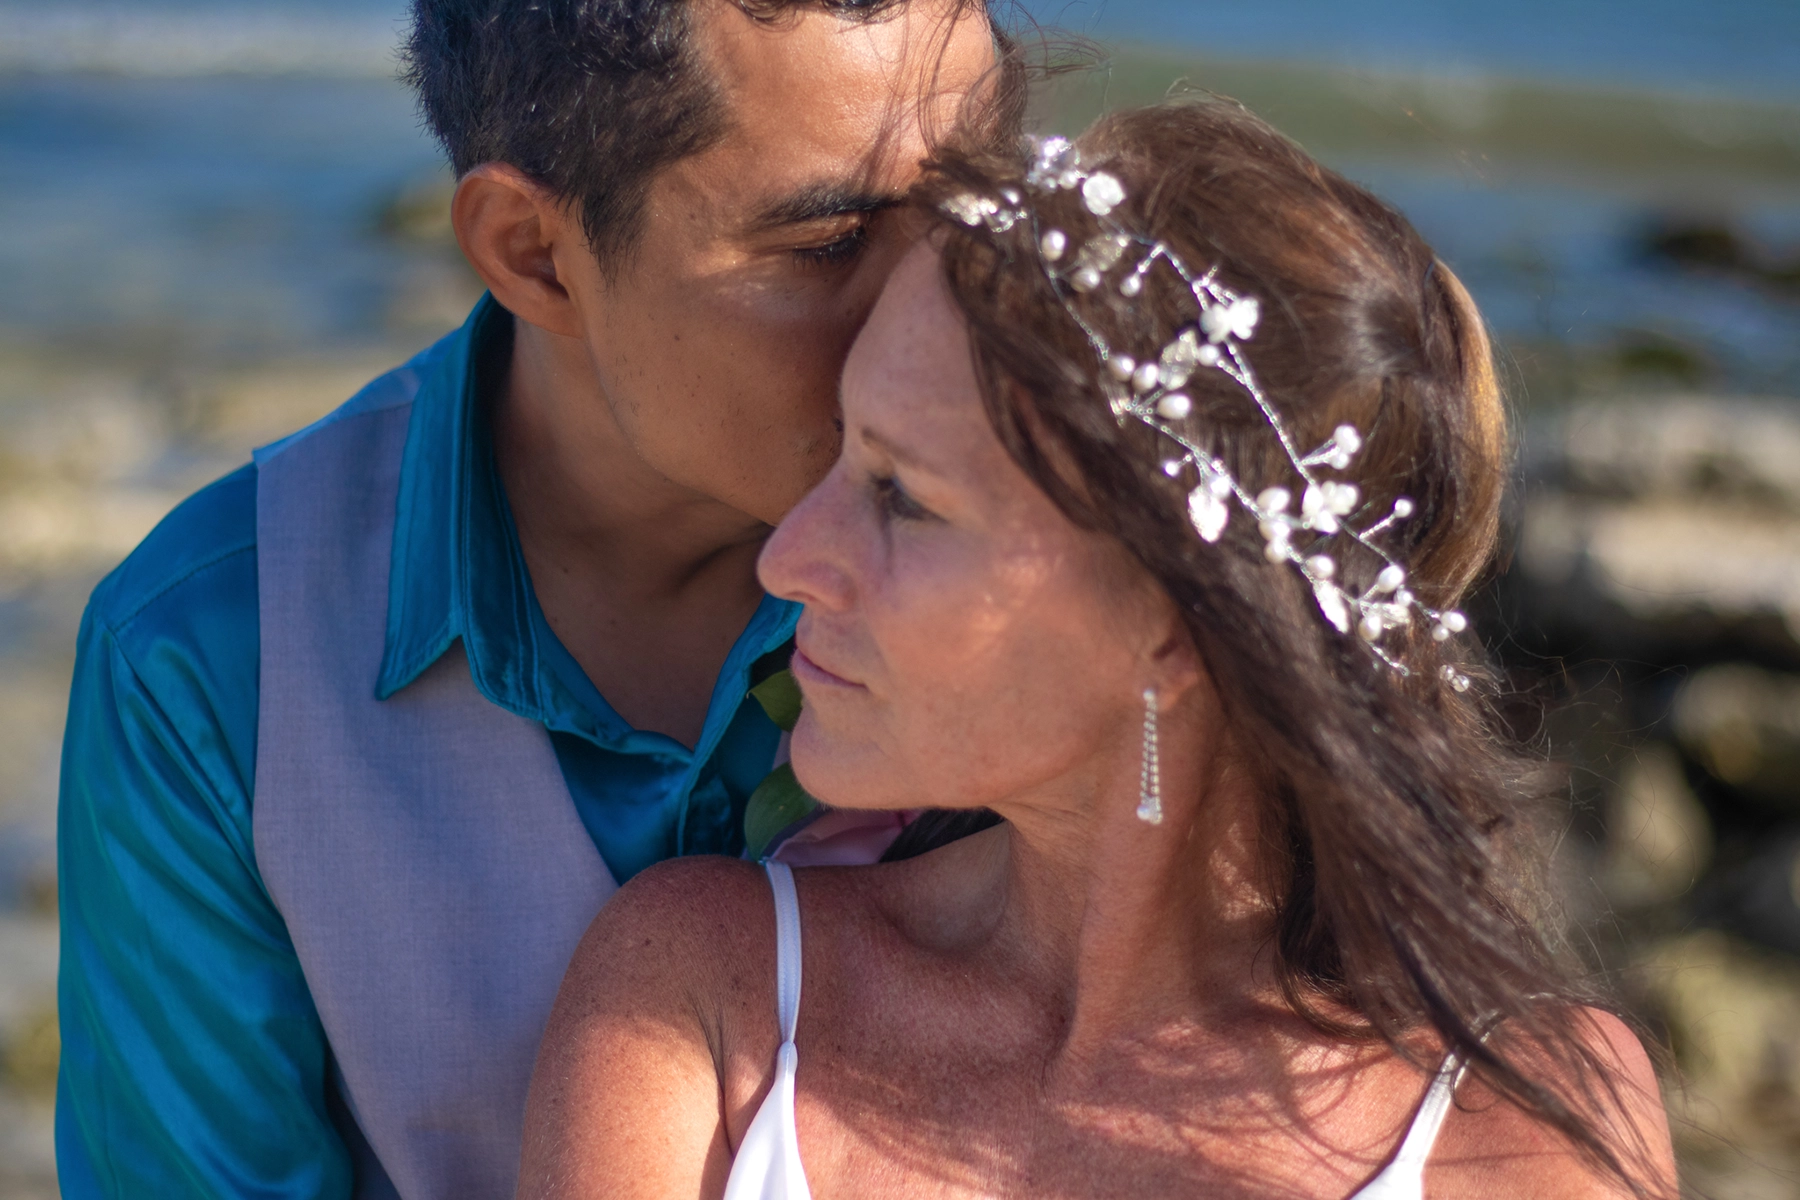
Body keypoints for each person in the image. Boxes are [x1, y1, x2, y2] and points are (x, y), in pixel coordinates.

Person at [518, 98, 1681, 1199]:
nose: (789, 559)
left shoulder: (1514, 1132)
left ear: (1175, 627)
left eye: (901, 496)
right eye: (843, 450)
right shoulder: (705, 999)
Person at [54, 1, 999, 1195]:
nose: (945, 305)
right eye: (831, 244)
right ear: (532, 253)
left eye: (986, 200)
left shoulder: (1095, 557)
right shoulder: (202, 661)